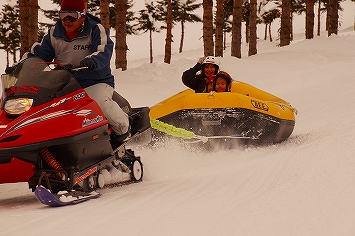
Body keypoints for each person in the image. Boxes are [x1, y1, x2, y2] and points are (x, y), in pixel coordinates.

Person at [21, 0, 130, 139]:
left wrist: (91, 62)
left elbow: (103, 51)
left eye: (72, 15)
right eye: (63, 15)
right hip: (64, 84)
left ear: (83, 16)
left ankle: (124, 130)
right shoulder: (54, 33)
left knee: (97, 102)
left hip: (95, 81)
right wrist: (22, 66)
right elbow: (38, 54)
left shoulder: (95, 29)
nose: (67, 20)